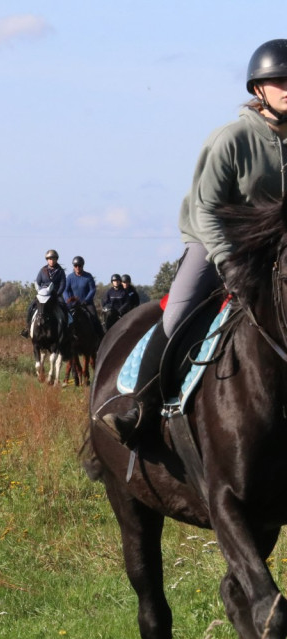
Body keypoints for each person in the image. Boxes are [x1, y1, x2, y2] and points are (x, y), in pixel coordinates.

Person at [103, 39, 287, 444]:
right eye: (278, 80)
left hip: (279, 254)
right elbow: (205, 209)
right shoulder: (231, 138)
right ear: (258, 89)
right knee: (178, 315)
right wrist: (229, 261)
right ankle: (141, 410)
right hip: (216, 246)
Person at [20, 249, 66, 338]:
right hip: (43, 295)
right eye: (50, 259)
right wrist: (40, 292)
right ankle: (27, 328)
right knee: (31, 307)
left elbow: (63, 284)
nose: (52, 261)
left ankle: (66, 328)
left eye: (53, 259)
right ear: (47, 260)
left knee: (65, 308)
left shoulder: (60, 271)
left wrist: (58, 293)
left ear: (56, 259)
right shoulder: (43, 270)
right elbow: (37, 282)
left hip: (55, 295)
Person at [63, 255, 103, 336]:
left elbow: (92, 290)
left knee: (94, 318)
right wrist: (68, 299)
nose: (77, 267)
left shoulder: (88, 276)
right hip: (73, 304)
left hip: (86, 304)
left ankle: (101, 337)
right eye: (75, 266)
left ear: (82, 266)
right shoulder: (70, 277)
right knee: (63, 318)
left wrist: (86, 300)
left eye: (79, 265)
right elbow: (65, 290)